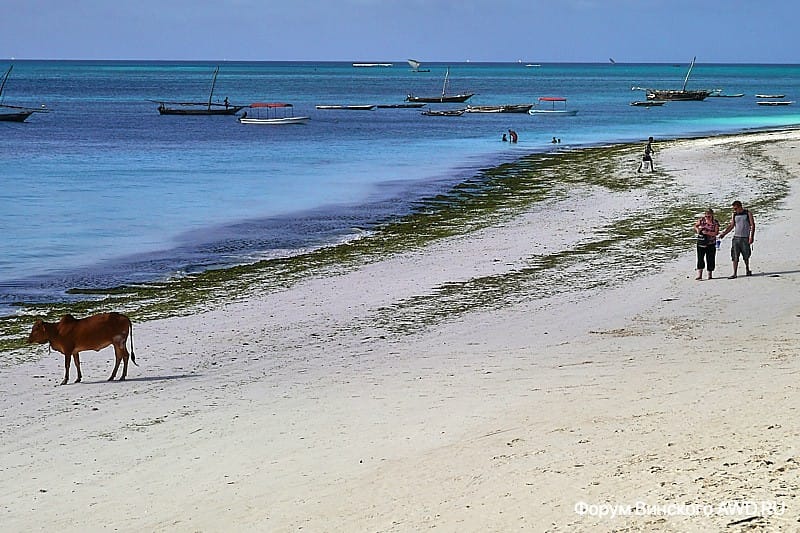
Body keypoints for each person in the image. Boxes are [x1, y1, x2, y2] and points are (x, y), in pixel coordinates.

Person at [718, 200, 755, 278]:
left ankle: (747, 269)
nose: (735, 210)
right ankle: (734, 273)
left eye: (736, 208)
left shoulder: (747, 213)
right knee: (734, 255)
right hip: (736, 237)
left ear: (740, 207)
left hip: (745, 237)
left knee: (746, 255)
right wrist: (724, 233)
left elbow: (752, 225)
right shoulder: (734, 214)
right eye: (734, 209)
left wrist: (751, 237)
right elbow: (731, 225)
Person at [693, 208, 720, 280]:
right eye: (706, 216)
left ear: (712, 215)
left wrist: (708, 233)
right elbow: (695, 226)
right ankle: (700, 275)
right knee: (700, 258)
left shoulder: (715, 223)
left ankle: (709, 274)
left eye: (709, 216)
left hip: (711, 243)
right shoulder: (702, 220)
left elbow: (716, 233)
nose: (707, 218)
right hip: (701, 242)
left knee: (710, 259)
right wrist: (698, 230)